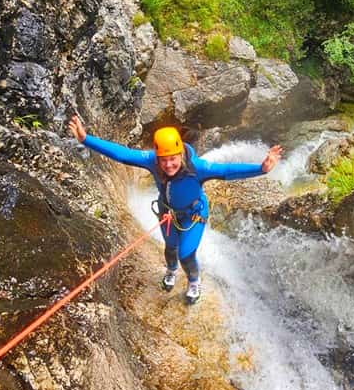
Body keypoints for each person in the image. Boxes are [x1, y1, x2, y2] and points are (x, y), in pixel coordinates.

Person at [68, 116, 283, 304]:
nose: (169, 165)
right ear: (157, 156)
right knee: (170, 248)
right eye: (164, 160)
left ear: (181, 153)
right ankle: (171, 271)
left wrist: (261, 169)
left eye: (173, 159)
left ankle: (193, 281)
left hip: (194, 215)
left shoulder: (198, 168)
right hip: (168, 213)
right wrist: (86, 139)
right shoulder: (152, 161)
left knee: (186, 254)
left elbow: (226, 170)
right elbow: (123, 155)